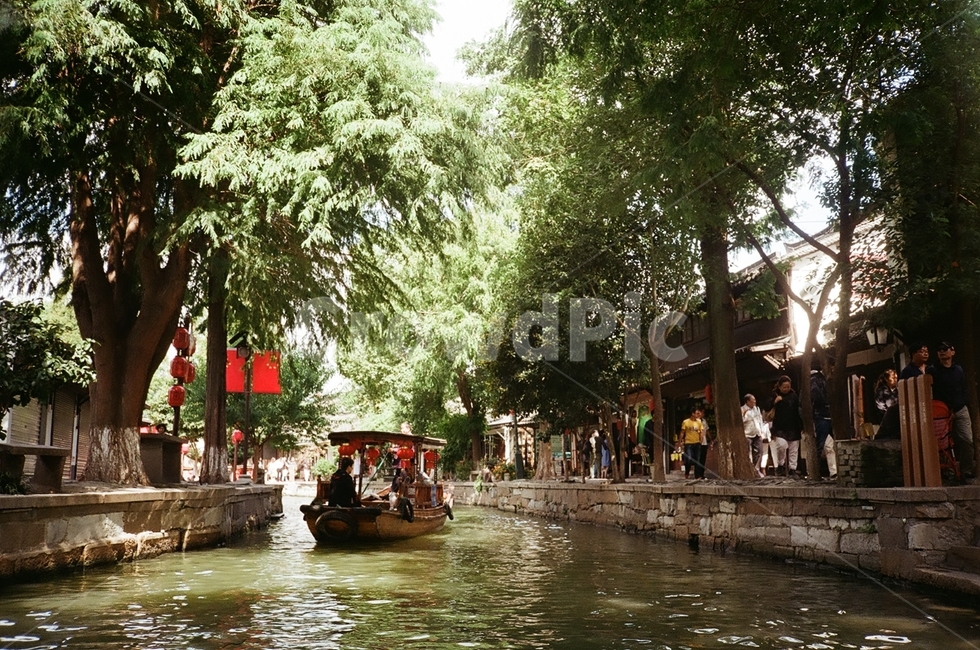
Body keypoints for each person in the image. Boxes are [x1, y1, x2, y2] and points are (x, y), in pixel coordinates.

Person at [929, 342, 975, 479]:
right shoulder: (933, 370)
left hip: (960, 408)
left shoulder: (958, 369)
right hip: (942, 411)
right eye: (939, 349)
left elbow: (964, 387)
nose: (942, 351)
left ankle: (966, 469)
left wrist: (964, 402)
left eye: (945, 349)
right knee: (943, 442)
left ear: (952, 351)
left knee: (967, 439)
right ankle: (948, 471)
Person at [767, 376, 803, 477]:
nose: (786, 389)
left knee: (793, 449)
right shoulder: (774, 395)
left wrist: (802, 425)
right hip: (780, 426)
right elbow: (766, 406)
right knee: (781, 446)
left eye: (788, 386)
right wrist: (775, 401)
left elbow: (799, 411)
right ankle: (780, 464)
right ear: (779, 386)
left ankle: (792, 469)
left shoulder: (794, 396)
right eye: (784, 387)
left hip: (794, 426)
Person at [810, 367, 838, 480]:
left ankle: (834, 471)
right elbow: (816, 396)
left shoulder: (826, 379)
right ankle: (816, 472)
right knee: (820, 445)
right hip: (822, 415)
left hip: (827, 414)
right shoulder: (816, 380)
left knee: (830, 445)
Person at [741, 394, 766, 478]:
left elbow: (760, 420)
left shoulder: (757, 408)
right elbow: (741, 422)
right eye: (753, 400)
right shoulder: (742, 409)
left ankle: (756, 469)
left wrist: (762, 432)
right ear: (748, 401)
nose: (754, 401)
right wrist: (743, 414)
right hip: (747, 434)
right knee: (748, 453)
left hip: (757, 433)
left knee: (760, 451)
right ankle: (748, 470)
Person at [874, 369, 901, 440]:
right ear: (887, 379)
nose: (895, 380)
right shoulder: (882, 391)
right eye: (893, 378)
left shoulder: (898, 390)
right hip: (887, 416)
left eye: (896, 378)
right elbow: (880, 404)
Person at [679, 406, 704, 479]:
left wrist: (701, 441)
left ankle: (697, 475)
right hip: (688, 443)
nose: (698, 415)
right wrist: (679, 442)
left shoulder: (699, 422)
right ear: (692, 414)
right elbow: (682, 432)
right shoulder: (686, 422)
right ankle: (687, 472)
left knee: (698, 460)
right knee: (689, 459)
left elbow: (701, 432)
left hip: (697, 443)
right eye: (697, 413)